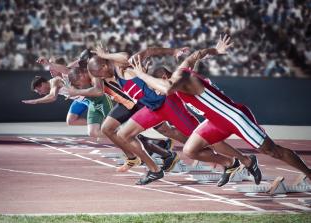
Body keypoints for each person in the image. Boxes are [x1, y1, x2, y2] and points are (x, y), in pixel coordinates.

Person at [130, 34, 311, 180]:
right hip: (216, 121)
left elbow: (167, 88)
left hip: (235, 117)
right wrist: (215, 50)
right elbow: (195, 55)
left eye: (155, 88)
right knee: (190, 150)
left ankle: (309, 174)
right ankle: (242, 163)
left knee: (273, 151)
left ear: (163, 77)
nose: (157, 93)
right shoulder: (181, 70)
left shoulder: (180, 79)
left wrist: (141, 75)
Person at [87, 44, 261, 186]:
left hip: (169, 104)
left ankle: (246, 161)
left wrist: (106, 55)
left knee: (210, 141)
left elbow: (126, 55)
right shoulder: (111, 75)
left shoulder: (121, 67)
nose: (100, 78)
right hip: (153, 108)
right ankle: (155, 170)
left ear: (104, 66)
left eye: (99, 74)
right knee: (124, 134)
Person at [67, 53, 179, 174]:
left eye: (79, 83)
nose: (80, 85)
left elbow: (98, 91)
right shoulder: (93, 71)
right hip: (125, 103)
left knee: (164, 131)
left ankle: (178, 148)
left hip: (135, 101)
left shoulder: (95, 72)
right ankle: (134, 158)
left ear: (83, 72)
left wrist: (76, 91)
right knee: (109, 129)